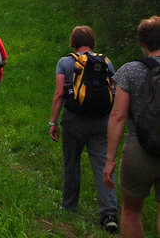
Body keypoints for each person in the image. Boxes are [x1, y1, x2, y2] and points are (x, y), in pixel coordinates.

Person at [49, 26, 118, 233]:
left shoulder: (65, 62)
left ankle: (69, 206)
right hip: (102, 121)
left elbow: (59, 94)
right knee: (102, 165)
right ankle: (109, 215)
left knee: (72, 162)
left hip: (74, 121)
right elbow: (114, 90)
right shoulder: (106, 62)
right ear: (92, 41)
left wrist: (53, 122)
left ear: (74, 41)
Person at [103, 16, 160, 237]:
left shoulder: (129, 70)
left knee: (131, 210)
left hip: (139, 149)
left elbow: (117, 116)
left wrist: (109, 160)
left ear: (143, 43)